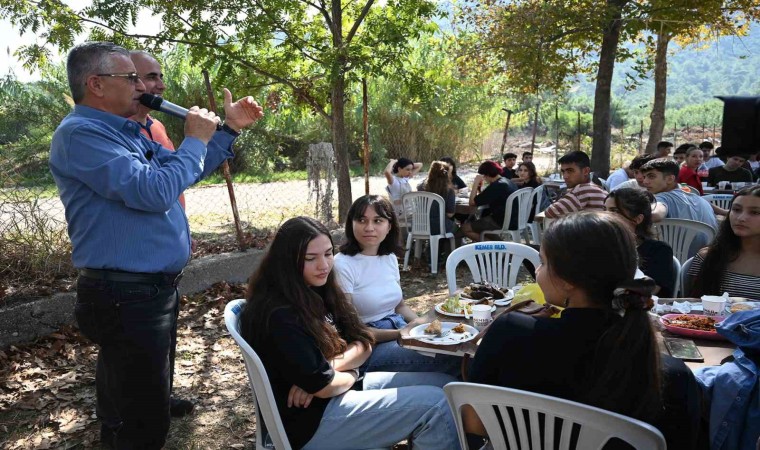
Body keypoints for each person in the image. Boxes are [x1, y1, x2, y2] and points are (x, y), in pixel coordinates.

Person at [49, 42, 264, 448]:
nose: (140, 85)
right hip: (123, 294)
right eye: (129, 77)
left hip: (147, 290)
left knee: (140, 401)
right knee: (141, 421)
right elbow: (153, 191)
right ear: (95, 84)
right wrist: (195, 140)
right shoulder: (82, 135)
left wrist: (227, 130)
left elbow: (180, 173)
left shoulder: (126, 131)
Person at [464, 211, 701, 449]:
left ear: (568, 281)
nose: (538, 270)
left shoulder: (511, 334)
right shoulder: (670, 374)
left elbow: (474, 425)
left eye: (544, 262)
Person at [240, 216, 460, 450]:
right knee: (436, 404)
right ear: (286, 262)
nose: (323, 265)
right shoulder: (281, 313)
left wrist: (332, 369)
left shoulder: (317, 289)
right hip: (311, 422)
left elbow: (364, 340)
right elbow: (324, 387)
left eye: (327, 254)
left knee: (447, 387)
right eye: (310, 258)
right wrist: (349, 373)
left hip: (337, 393)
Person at [127, 49, 194, 417]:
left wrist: (182, 230)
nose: (159, 85)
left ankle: (160, 397)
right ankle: (122, 418)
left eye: (158, 76)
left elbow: (177, 182)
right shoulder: (106, 132)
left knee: (164, 335)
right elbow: (152, 191)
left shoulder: (156, 127)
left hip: (166, 255)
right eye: (150, 77)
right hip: (132, 270)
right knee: (131, 349)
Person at [334, 195, 461, 375]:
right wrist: (406, 332)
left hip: (398, 328)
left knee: (459, 345)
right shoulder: (342, 264)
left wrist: (421, 323)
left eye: (377, 220)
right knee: (451, 359)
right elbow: (351, 329)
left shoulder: (389, 257)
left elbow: (399, 306)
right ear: (351, 224)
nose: (369, 227)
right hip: (369, 345)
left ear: (389, 226)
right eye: (361, 220)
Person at [687, 186, 760, 299]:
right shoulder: (708, 256)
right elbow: (694, 305)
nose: (741, 218)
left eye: (755, 212)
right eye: (736, 210)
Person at [605, 188, 676, 297]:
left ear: (638, 219)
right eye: (604, 210)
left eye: (614, 211)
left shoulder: (658, 251)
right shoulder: (601, 247)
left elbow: (648, 291)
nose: (605, 216)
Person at [458, 160, 518, 241]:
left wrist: (476, 182)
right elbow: (485, 197)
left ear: (487, 175)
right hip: (514, 218)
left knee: (465, 228)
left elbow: (472, 203)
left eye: (484, 176)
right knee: (481, 225)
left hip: (501, 221)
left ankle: (495, 247)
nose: (484, 179)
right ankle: (499, 244)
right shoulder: (506, 181)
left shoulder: (497, 186)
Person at [544, 151, 607, 219]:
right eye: (563, 171)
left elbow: (550, 212)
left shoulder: (581, 191)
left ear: (585, 171)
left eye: (570, 171)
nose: (565, 176)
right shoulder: (599, 189)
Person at [418, 161, 456, 235]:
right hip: (439, 227)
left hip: (420, 225)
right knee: (458, 229)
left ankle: (431, 245)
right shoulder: (448, 191)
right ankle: (448, 246)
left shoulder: (420, 187)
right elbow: (450, 214)